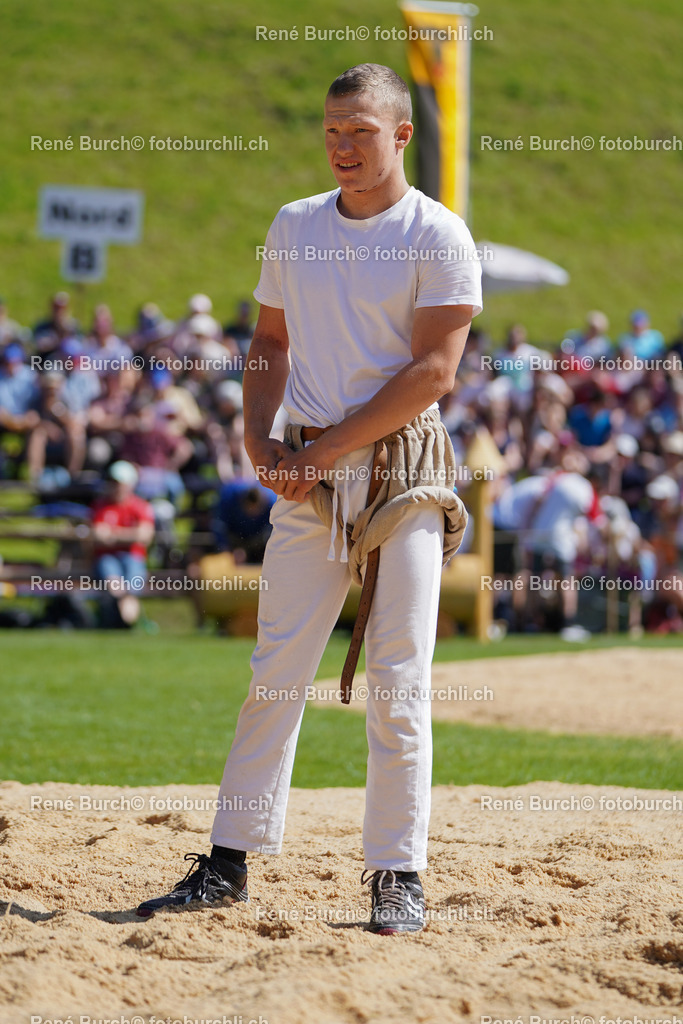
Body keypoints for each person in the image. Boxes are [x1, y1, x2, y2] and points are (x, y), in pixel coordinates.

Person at [135, 63, 482, 933]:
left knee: (399, 679)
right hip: (307, 470)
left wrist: (319, 446)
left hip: (404, 471)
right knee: (275, 669)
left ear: (401, 136)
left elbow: (434, 372)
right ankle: (227, 863)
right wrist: (257, 437)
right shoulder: (293, 225)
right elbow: (267, 341)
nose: (341, 147)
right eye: (331, 131)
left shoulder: (437, 233)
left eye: (358, 132)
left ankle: (396, 874)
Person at [91, 461, 155, 626]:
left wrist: (113, 534)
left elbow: (144, 536)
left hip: (133, 557)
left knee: (131, 588)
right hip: (107, 557)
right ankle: (122, 622)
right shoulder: (101, 506)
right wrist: (130, 535)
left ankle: (126, 623)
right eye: (112, 482)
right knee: (114, 582)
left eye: (119, 483)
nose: (115, 487)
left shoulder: (140, 506)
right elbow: (99, 536)